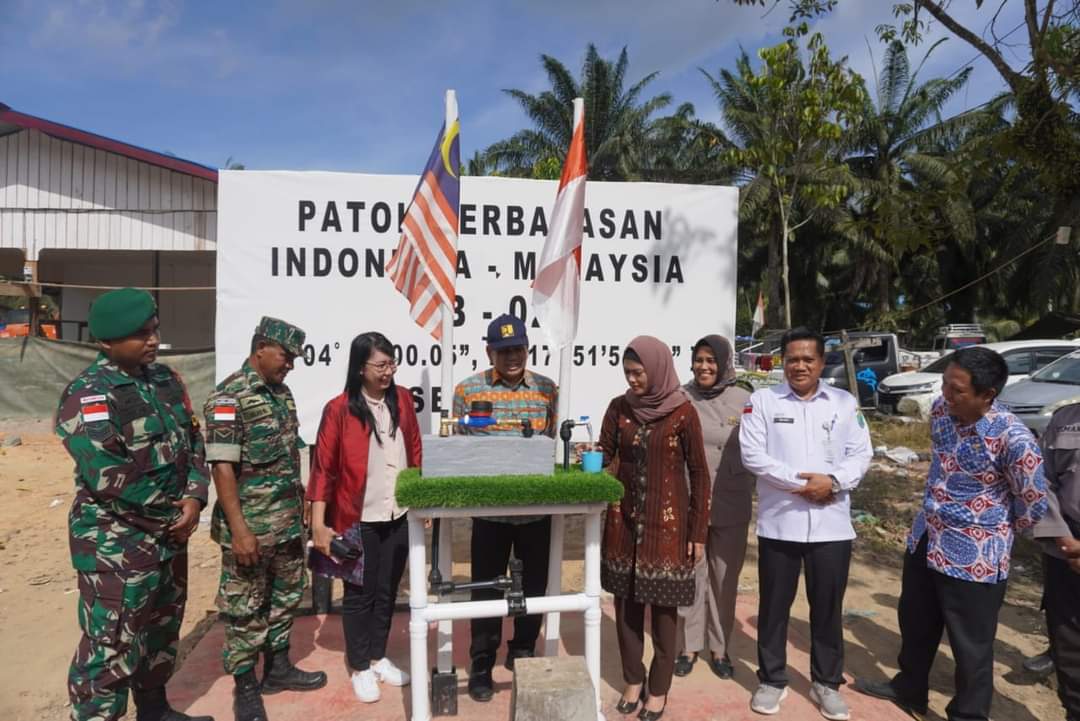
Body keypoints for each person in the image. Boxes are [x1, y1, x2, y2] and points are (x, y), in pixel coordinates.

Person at [854, 346, 1049, 721]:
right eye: (944, 384)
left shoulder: (1015, 440)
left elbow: (1033, 501)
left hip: (975, 554)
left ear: (987, 394)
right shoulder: (942, 412)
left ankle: (968, 714)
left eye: (956, 390)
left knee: (970, 645)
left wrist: (994, 532)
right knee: (916, 621)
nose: (945, 394)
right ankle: (909, 689)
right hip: (927, 538)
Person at [55, 287, 213, 721]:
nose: (153, 340)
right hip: (118, 545)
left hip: (169, 537)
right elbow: (107, 473)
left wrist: (195, 495)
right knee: (110, 647)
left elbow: (193, 440)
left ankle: (154, 710)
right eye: (140, 334)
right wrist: (172, 514)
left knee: (161, 631)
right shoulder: (88, 394)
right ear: (107, 341)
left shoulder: (166, 380)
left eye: (154, 330)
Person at [739, 327, 872, 720]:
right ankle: (772, 679)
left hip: (832, 526)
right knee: (774, 606)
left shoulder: (844, 403)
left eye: (807, 359)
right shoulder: (762, 401)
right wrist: (804, 484)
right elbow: (753, 455)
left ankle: (826, 683)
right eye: (792, 359)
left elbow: (861, 453)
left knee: (827, 608)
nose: (799, 366)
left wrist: (833, 482)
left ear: (822, 362)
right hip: (780, 523)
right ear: (783, 361)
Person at [203, 317, 327, 721]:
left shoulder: (281, 395)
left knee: (285, 598)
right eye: (285, 356)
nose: (290, 364)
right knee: (245, 609)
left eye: (293, 359)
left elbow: (287, 455)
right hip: (251, 528)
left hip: (286, 524)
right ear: (261, 349)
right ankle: (246, 687)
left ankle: (278, 669)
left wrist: (302, 502)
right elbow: (222, 467)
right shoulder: (229, 398)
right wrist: (240, 531)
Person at [307, 332, 422, 704]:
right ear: (360, 368)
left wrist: (421, 503)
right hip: (358, 517)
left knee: (388, 589)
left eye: (392, 364)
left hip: (398, 512)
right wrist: (319, 524)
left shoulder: (403, 399)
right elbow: (323, 469)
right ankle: (359, 666)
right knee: (359, 594)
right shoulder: (339, 409)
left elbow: (415, 449)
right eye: (381, 365)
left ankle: (377, 656)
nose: (388, 372)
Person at [599, 336, 709, 721]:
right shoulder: (619, 408)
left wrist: (697, 532)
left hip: (668, 529)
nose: (632, 380)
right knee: (626, 609)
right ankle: (633, 679)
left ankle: (659, 688)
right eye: (627, 373)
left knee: (664, 615)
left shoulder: (683, 412)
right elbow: (605, 454)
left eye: (638, 372)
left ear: (657, 369)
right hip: (624, 525)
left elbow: (699, 474)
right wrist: (592, 461)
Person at [453, 313, 558, 702]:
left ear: (527, 349)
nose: (512, 357)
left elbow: (552, 445)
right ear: (489, 352)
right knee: (485, 589)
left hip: (535, 513)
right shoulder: (468, 390)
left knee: (535, 587)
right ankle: (482, 663)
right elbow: (460, 448)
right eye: (503, 350)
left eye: (517, 349)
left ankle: (523, 650)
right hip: (490, 514)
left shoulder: (547, 390)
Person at [673, 335, 753, 681]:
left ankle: (720, 648)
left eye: (711, 360)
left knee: (724, 579)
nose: (704, 367)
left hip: (731, 501)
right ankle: (689, 646)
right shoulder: (680, 397)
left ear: (724, 363)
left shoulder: (745, 399)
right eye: (699, 360)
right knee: (691, 575)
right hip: (690, 501)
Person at [1031, 401, 1080, 721]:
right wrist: (1064, 540)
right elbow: (1042, 482)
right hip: (1066, 546)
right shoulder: (1065, 419)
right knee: (1068, 644)